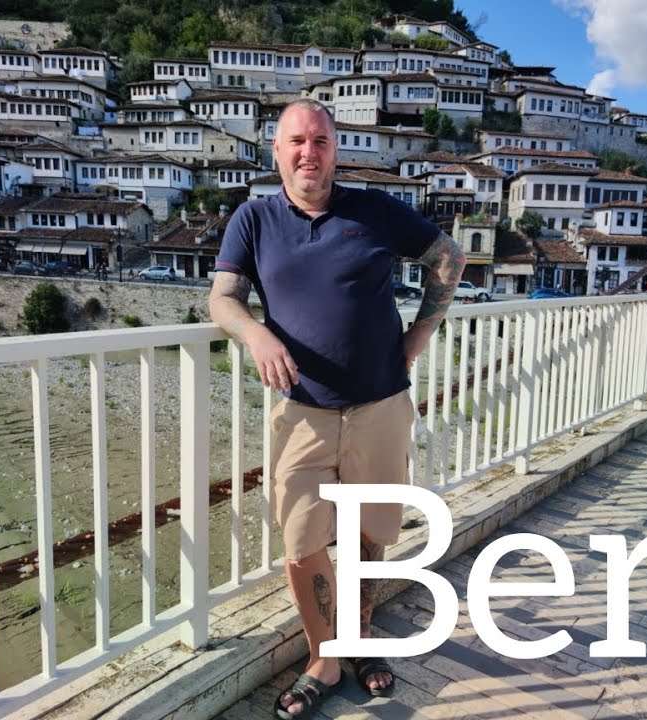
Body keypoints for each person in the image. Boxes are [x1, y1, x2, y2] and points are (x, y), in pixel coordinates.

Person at [209, 99, 465, 719]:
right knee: (303, 542)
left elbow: (448, 259)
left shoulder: (374, 210)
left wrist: (419, 336)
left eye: (320, 141)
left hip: (380, 405)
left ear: (335, 150)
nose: (308, 152)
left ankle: (360, 639)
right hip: (302, 413)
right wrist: (255, 334)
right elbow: (221, 297)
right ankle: (324, 657)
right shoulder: (254, 219)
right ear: (276, 150)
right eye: (296, 140)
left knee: (369, 534)